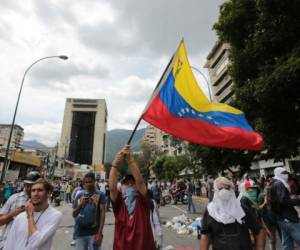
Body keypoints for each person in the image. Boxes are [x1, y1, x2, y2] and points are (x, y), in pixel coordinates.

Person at [109, 144, 156, 250]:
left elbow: (139, 181)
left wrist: (130, 160)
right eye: (126, 183)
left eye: (132, 183)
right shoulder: (119, 205)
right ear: (121, 187)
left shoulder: (143, 202)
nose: (130, 185)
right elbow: (112, 189)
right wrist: (114, 165)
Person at [200, 177, 264, 250]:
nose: (224, 191)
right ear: (215, 191)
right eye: (220, 189)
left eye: (227, 188)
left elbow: (259, 230)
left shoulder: (242, 209)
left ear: (231, 190)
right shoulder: (210, 211)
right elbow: (205, 235)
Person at [4, 178, 62, 250]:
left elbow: (36, 242)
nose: (35, 194)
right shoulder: (20, 216)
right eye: (33, 190)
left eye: (40, 190)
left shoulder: (55, 215)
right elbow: (10, 244)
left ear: (49, 193)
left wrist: (30, 215)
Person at [0, 171, 40, 249]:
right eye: (26, 185)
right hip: (6, 243)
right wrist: (14, 213)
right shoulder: (14, 198)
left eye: (31, 185)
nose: (28, 188)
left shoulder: (42, 204)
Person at [72, 172, 106, 250]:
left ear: (94, 181)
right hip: (80, 232)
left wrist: (99, 233)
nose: (88, 184)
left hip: (94, 233)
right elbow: (74, 214)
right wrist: (81, 205)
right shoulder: (79, 194)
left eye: (90, 182)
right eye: (86, 182)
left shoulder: (100, 195)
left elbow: (102, 214)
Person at [270, 167, 300, 250]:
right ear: (278, 174)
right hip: (288, 218)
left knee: (287, 243)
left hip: (282, 218)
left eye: (286, 173)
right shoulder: (279, 184)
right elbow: (283, 201)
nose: (286, 175)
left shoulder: (275, 183)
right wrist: (297, 200)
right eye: (284, 173)